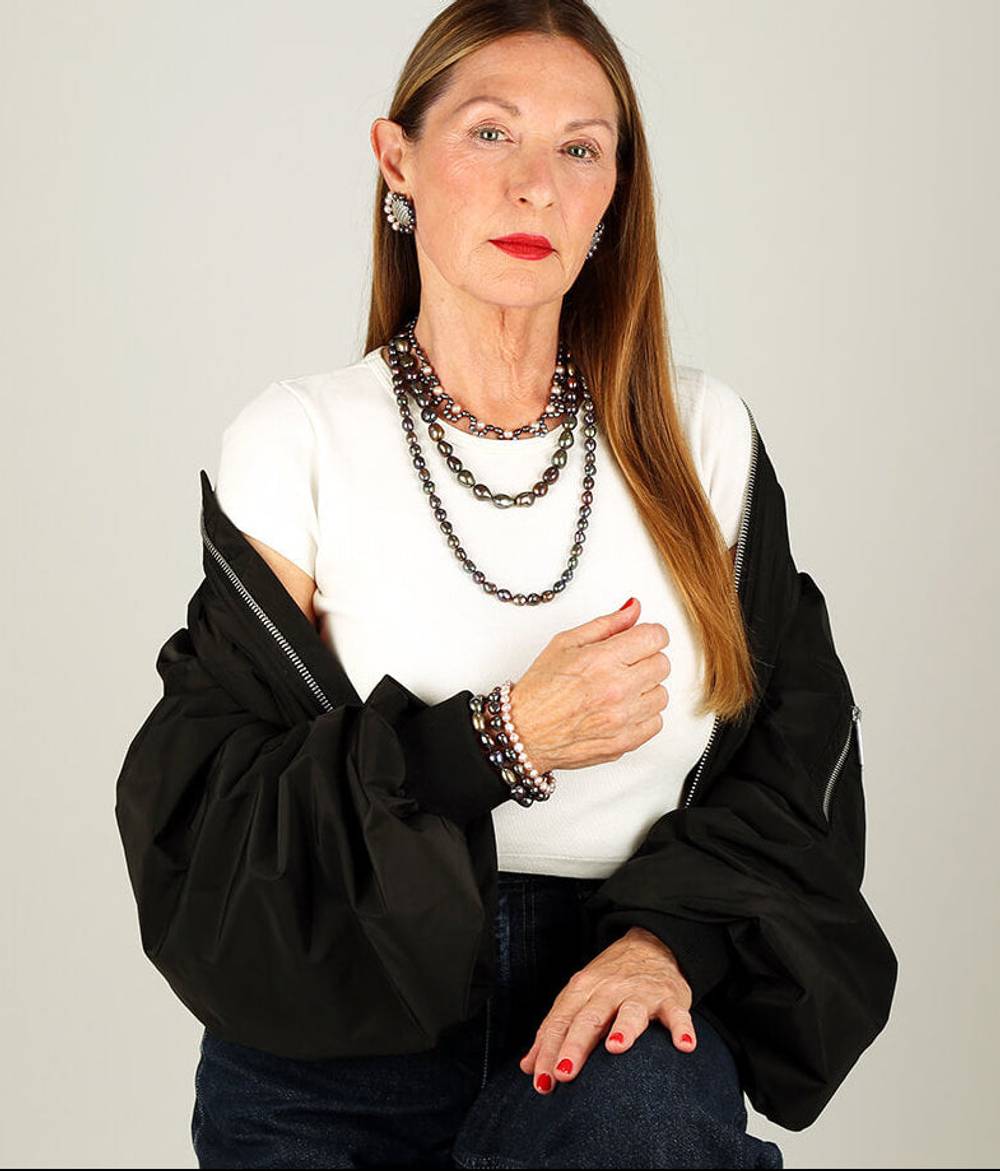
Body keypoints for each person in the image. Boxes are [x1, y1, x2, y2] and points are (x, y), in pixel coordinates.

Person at [115, 2, 898, 1166]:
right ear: (398, 160)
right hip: (341, 1014)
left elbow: (795, 765)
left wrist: (666, 941)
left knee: (644, 1124)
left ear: (615, 190)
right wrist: (502, 736)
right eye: (490, 133)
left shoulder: (704, 438)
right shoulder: (299, 438)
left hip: (612, 995)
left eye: (580, 148)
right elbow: (211, 804)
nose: (537, 185)